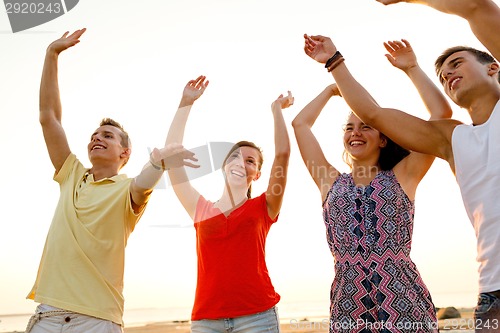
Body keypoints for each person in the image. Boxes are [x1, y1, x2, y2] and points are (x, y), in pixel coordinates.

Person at [303, 0, 500, 331]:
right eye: (443, 74)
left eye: (456, 63)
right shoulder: (452, 140)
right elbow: (375, 114)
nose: (448, 74)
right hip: (492, 288)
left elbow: (478, 7)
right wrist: (334, 62)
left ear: (493, 67)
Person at [26, 29, 198, 333]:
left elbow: (144, 182)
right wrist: (52, 54)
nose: (97, 138)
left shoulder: (126, 190)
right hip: (48, 316)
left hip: (97, 321)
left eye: (107, 136)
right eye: (94, 135)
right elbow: (48, 117)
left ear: (125, 152)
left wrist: (158, 162)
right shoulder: (71, 175)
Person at [295, 39, 451, 332]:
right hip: (348, 304)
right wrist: (331, 90)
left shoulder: (405, 175)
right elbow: (300, 125)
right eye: (349, 128)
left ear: (383, 138)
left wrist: (413, 69)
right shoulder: (328, 180)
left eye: (365, 125)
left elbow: (440, 117)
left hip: (403, 301)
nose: (355, 133)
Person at [162, 75, 292, 332]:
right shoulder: (200, 209)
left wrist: (276, 110)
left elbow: (283, 155)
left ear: (257, 174)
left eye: (250, 161)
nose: (241, 163)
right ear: (224, 166)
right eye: (234, 156)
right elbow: (171, 157)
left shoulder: (264, 206)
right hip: (206, 320)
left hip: (258, 317)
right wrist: (185, 103)